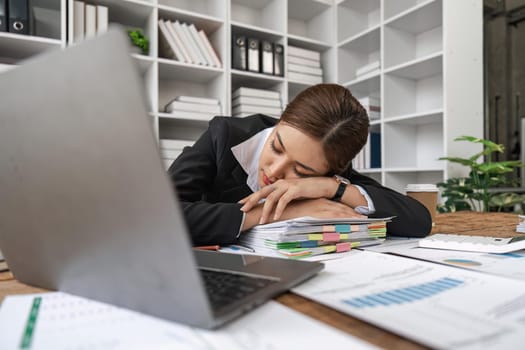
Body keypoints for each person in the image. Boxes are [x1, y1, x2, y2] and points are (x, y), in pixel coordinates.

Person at [168, 84, 432, 246]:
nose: (273, 171)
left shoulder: (329, 170)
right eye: (276, 146)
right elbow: (162, 216)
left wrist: (333, 189)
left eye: (301, 171)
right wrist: (281, 212)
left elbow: (418, 221)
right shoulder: (223, 136)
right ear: (280, 120)